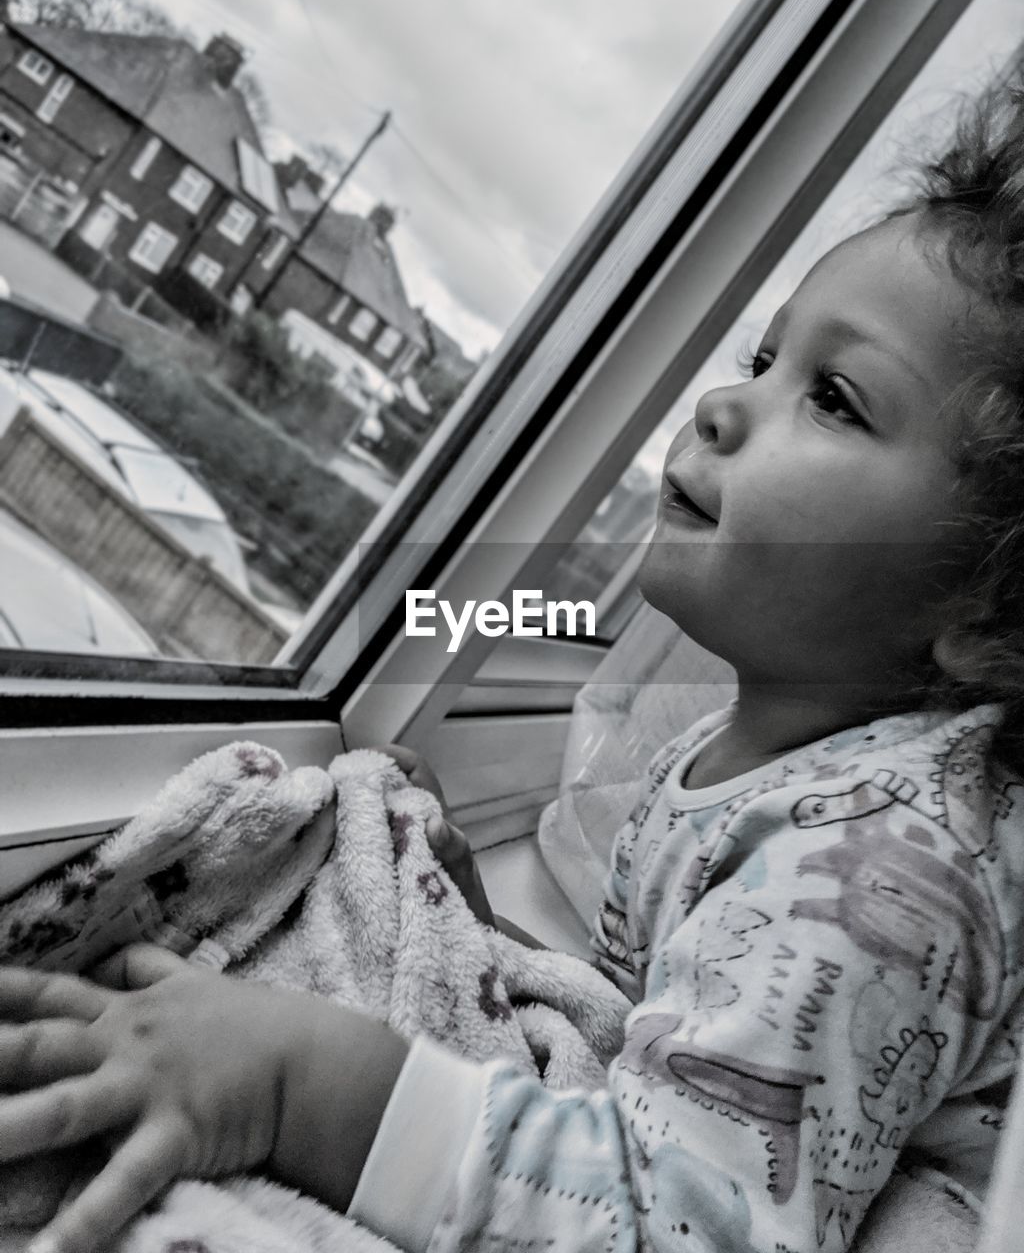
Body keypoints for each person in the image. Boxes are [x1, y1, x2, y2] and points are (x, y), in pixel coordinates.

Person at [5, 72, 1024, 1253]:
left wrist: (297, 1079)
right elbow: (670, 1040)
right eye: (762, 357)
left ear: (987, 607)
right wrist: (472, 918)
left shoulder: (889, 876)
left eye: (836, 399)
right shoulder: (755, 750)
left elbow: (688, 1223)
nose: (719, 406)